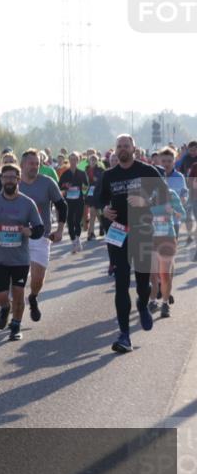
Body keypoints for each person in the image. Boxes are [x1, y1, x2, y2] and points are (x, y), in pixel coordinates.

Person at [99, 134, 169, 353]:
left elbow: (166, 196)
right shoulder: (109, 175)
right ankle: (124, 335)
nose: (122, 149)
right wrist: (104, 209)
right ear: (115, 149)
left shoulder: (147, 170)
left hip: (142, 233)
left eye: (126, 146)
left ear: (134, 148)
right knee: (121, 284)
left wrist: (145, 201)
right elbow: (99, 198)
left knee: (142, 284)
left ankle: (142, 303)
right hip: (118, 234)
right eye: (119, 146)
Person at [0, 164, 45, 341]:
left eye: (12, 178)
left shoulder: (27, 203)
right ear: (1, 180)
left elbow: (39, 228)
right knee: (1, 296)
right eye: (5, 177)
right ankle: (5, 308)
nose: (8, 181)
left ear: (18, 180)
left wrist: (30, 232)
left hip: (20, 259)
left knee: (18, 293)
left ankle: (16, 325)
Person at [17, 150, 67, 322]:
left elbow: (62, 206)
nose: (34, 167)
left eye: (37, 163)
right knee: (16, 279)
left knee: (37, 279)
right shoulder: (13, 184)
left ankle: (33, 296)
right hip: (16, 238)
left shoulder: (47, 183)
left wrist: (59, 230)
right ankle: (15, 315)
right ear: (22, 165)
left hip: (41, 235)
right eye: (31, 163)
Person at [148, 171, 185, 318]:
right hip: (151, 238)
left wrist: (174, 210)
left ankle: (165, 304)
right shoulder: (147, 196)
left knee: (165, 273)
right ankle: (152, 301)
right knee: (152, 274)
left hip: (167, 237)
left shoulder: (171, 194)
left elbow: (183, 213)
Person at [59, 152, 90, 253]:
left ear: (78, 161)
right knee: (70, 222)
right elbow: (60, 186)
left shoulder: (81, 173)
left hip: (79, 200)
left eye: (75, 159)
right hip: (68, 201)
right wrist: (65, 187)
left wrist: (84, 192)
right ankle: (73, 241)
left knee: (77, 221)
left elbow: (86, 185)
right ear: (69, 160)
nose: (73, 162)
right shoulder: (65, 173)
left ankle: (77, 238)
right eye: (71, 159)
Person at [85, 153, 105, 241]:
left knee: (96, 211)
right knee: (93, 211)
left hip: (98, 192)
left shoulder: (100, 170)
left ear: (97, 161)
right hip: (90, 192)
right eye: (91, 160)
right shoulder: (86, 169)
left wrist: (97, 180)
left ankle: (102, 226)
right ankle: (91, 232)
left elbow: (103, 180)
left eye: (94, 160)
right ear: (89, 161)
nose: (92, 162)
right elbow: (85, 181)